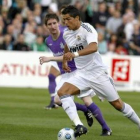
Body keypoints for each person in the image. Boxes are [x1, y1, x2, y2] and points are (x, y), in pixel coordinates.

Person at [56, 5, 140, 137]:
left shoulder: (87, 29)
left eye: (68, 19)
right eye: (64, 19)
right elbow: (67, 45)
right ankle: (79, 125)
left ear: (77, 18)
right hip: (82, 75)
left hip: (98, 74)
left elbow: (94, 47)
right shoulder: (66, 32)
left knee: (118, 105)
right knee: (62, 93)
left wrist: (75, 55)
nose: (65, 22)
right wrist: (65, 60)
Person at [40, 13, 112, 136]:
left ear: (58, 23)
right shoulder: (48, 41)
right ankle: (85, 112)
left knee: (87, 101)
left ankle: (106, 128)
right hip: (67, 74)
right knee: (58, 100)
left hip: (79, 71)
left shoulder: (66, 35)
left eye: (54, 23)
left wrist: (50, 59)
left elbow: (68, 55)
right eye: (49, 24)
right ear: (46, 26)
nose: (53, 26)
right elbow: (61, 57)